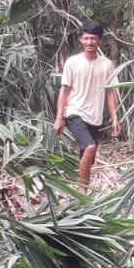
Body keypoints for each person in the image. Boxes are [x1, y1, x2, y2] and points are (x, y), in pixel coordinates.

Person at [53, 20, 121, 187]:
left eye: (93, 39)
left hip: (95, 117)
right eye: (86, 38)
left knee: (88, 158)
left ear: (100, 41)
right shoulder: (73, 62)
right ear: (81, 40)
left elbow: (110, 92)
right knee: (90, 147)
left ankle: (79, 192)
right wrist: (59, 117)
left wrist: (114, 118)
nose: (90, 42)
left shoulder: (107, 65)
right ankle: (82, 191)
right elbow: (65, 90)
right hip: (74, 112)